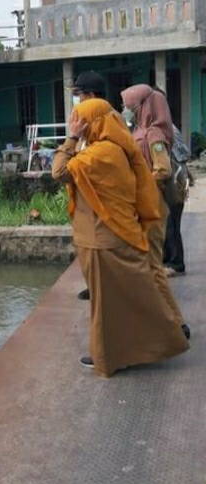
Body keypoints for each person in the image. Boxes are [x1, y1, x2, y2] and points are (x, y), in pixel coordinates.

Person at [52, 98, 189, 377]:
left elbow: (60, 171)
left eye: (82, 121)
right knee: (125, 299)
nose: (77, 125)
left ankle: (110, 357)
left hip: (103, 239)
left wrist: (71, 138)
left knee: (107, 306)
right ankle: (147, 344)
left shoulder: (102, 153)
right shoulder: (113, 147)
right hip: (110, 234)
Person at [121, 84, 190, 339]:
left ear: (144, 107)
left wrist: (141, 185)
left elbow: (163, 169)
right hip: (146, 205)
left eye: (130, 107)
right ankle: (167, 323)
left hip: (154, 204)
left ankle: (176, 325)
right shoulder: (140, 130)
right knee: (149, 267)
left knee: (151, 267)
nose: (127, 112)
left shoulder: (155, 134)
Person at [70, 70, 107, 301]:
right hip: (84, 200)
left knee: (98, 250)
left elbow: (60, 171)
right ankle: (93, 285)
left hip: (98, 201)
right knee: (85, 250)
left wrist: (71, 139)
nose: (78, 101)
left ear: (91, 95)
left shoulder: (106, 123)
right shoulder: (89, 126)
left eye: (79, 96)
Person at [162, 123, 193, 276]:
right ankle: (167, 259)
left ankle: (175, 263)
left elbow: (182, 155)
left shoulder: (164, 128)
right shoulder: (163, 125)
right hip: (174, 180)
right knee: (168, 223)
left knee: (171, 223)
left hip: (173, 182)